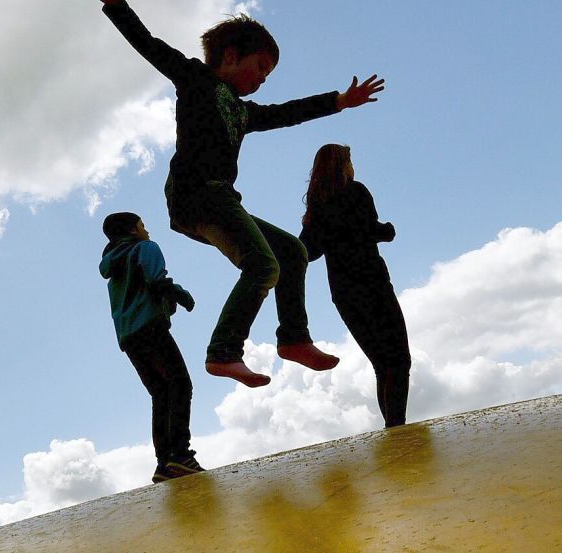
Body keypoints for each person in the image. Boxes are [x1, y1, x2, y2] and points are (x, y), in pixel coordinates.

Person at [99, 0, 385, 386]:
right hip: (195, 194)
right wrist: (115, 6)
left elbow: (286, 113)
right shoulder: (194, 79)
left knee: (292, 252)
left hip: (220, 202)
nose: (263, 79)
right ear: (231, 56)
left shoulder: (242, 111)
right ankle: (224, 352)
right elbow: (147, 43)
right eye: (261, 68)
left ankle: (294, 339)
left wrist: (337, 102)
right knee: (263, 265)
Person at [299, 144, 410, 427]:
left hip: (343, 292)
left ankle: (394, 429)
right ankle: (396, 429)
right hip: (372, 281)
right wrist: (387, 230)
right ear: (343, 165)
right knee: (398, 359)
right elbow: (369, 230)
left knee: (380, 362)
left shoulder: (317, 206)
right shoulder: (356, 191)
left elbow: (308, 252)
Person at [99, 212, 203, 483]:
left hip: (129, 337)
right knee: (180, 384)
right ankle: (181, 455)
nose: (147, 230)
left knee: (160, 392)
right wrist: (181, 296)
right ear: (133, 230)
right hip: (151, 329)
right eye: (143, 225)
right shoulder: (145, 248)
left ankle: (164, 463)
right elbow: (156, 279)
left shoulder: (113, 267)